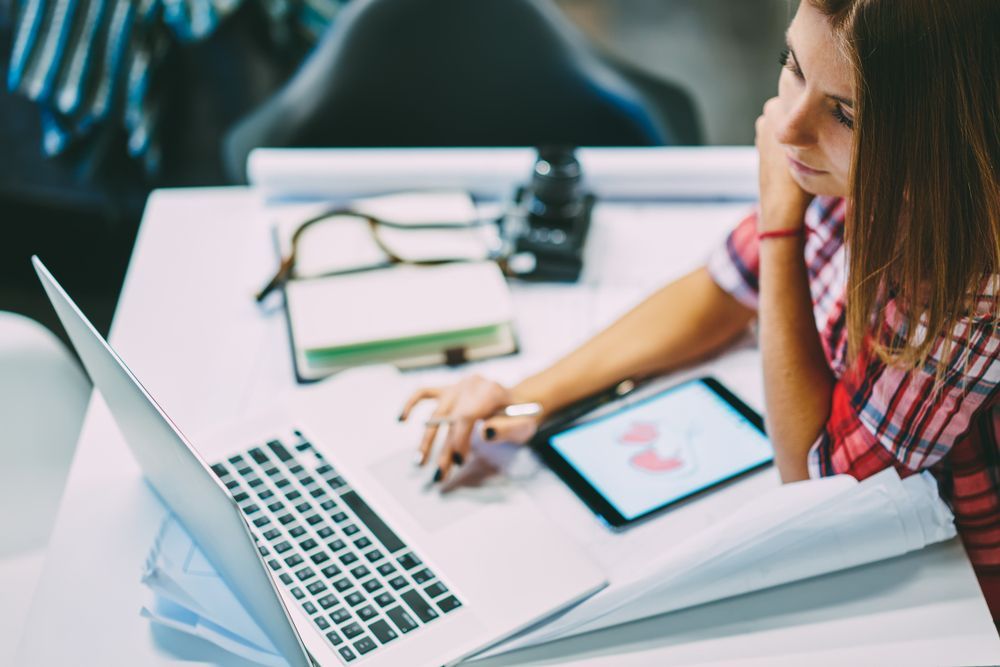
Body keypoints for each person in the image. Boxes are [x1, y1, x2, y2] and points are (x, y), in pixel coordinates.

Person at [400, 0, 1000, 621]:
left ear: (943, 139)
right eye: (791, 66)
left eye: (845, 111)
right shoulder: (847, 165)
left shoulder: (980, 285)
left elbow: (818, 489)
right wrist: (527, 397)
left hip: (959, 594)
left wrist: (780, 227)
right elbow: (722, 288)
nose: (784, 128)